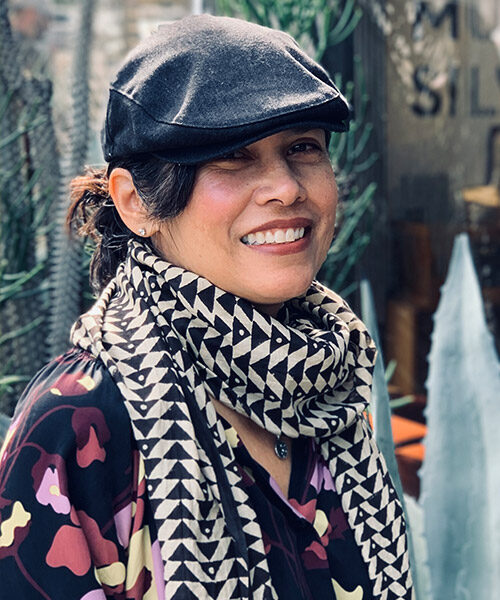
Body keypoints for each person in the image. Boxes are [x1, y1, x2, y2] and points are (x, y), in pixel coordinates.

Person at [0, 14, 413, 600]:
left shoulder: (327, 390)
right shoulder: (79, 424)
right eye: (233, 157)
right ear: (136, 203)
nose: (287, 187)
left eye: (303, 148)